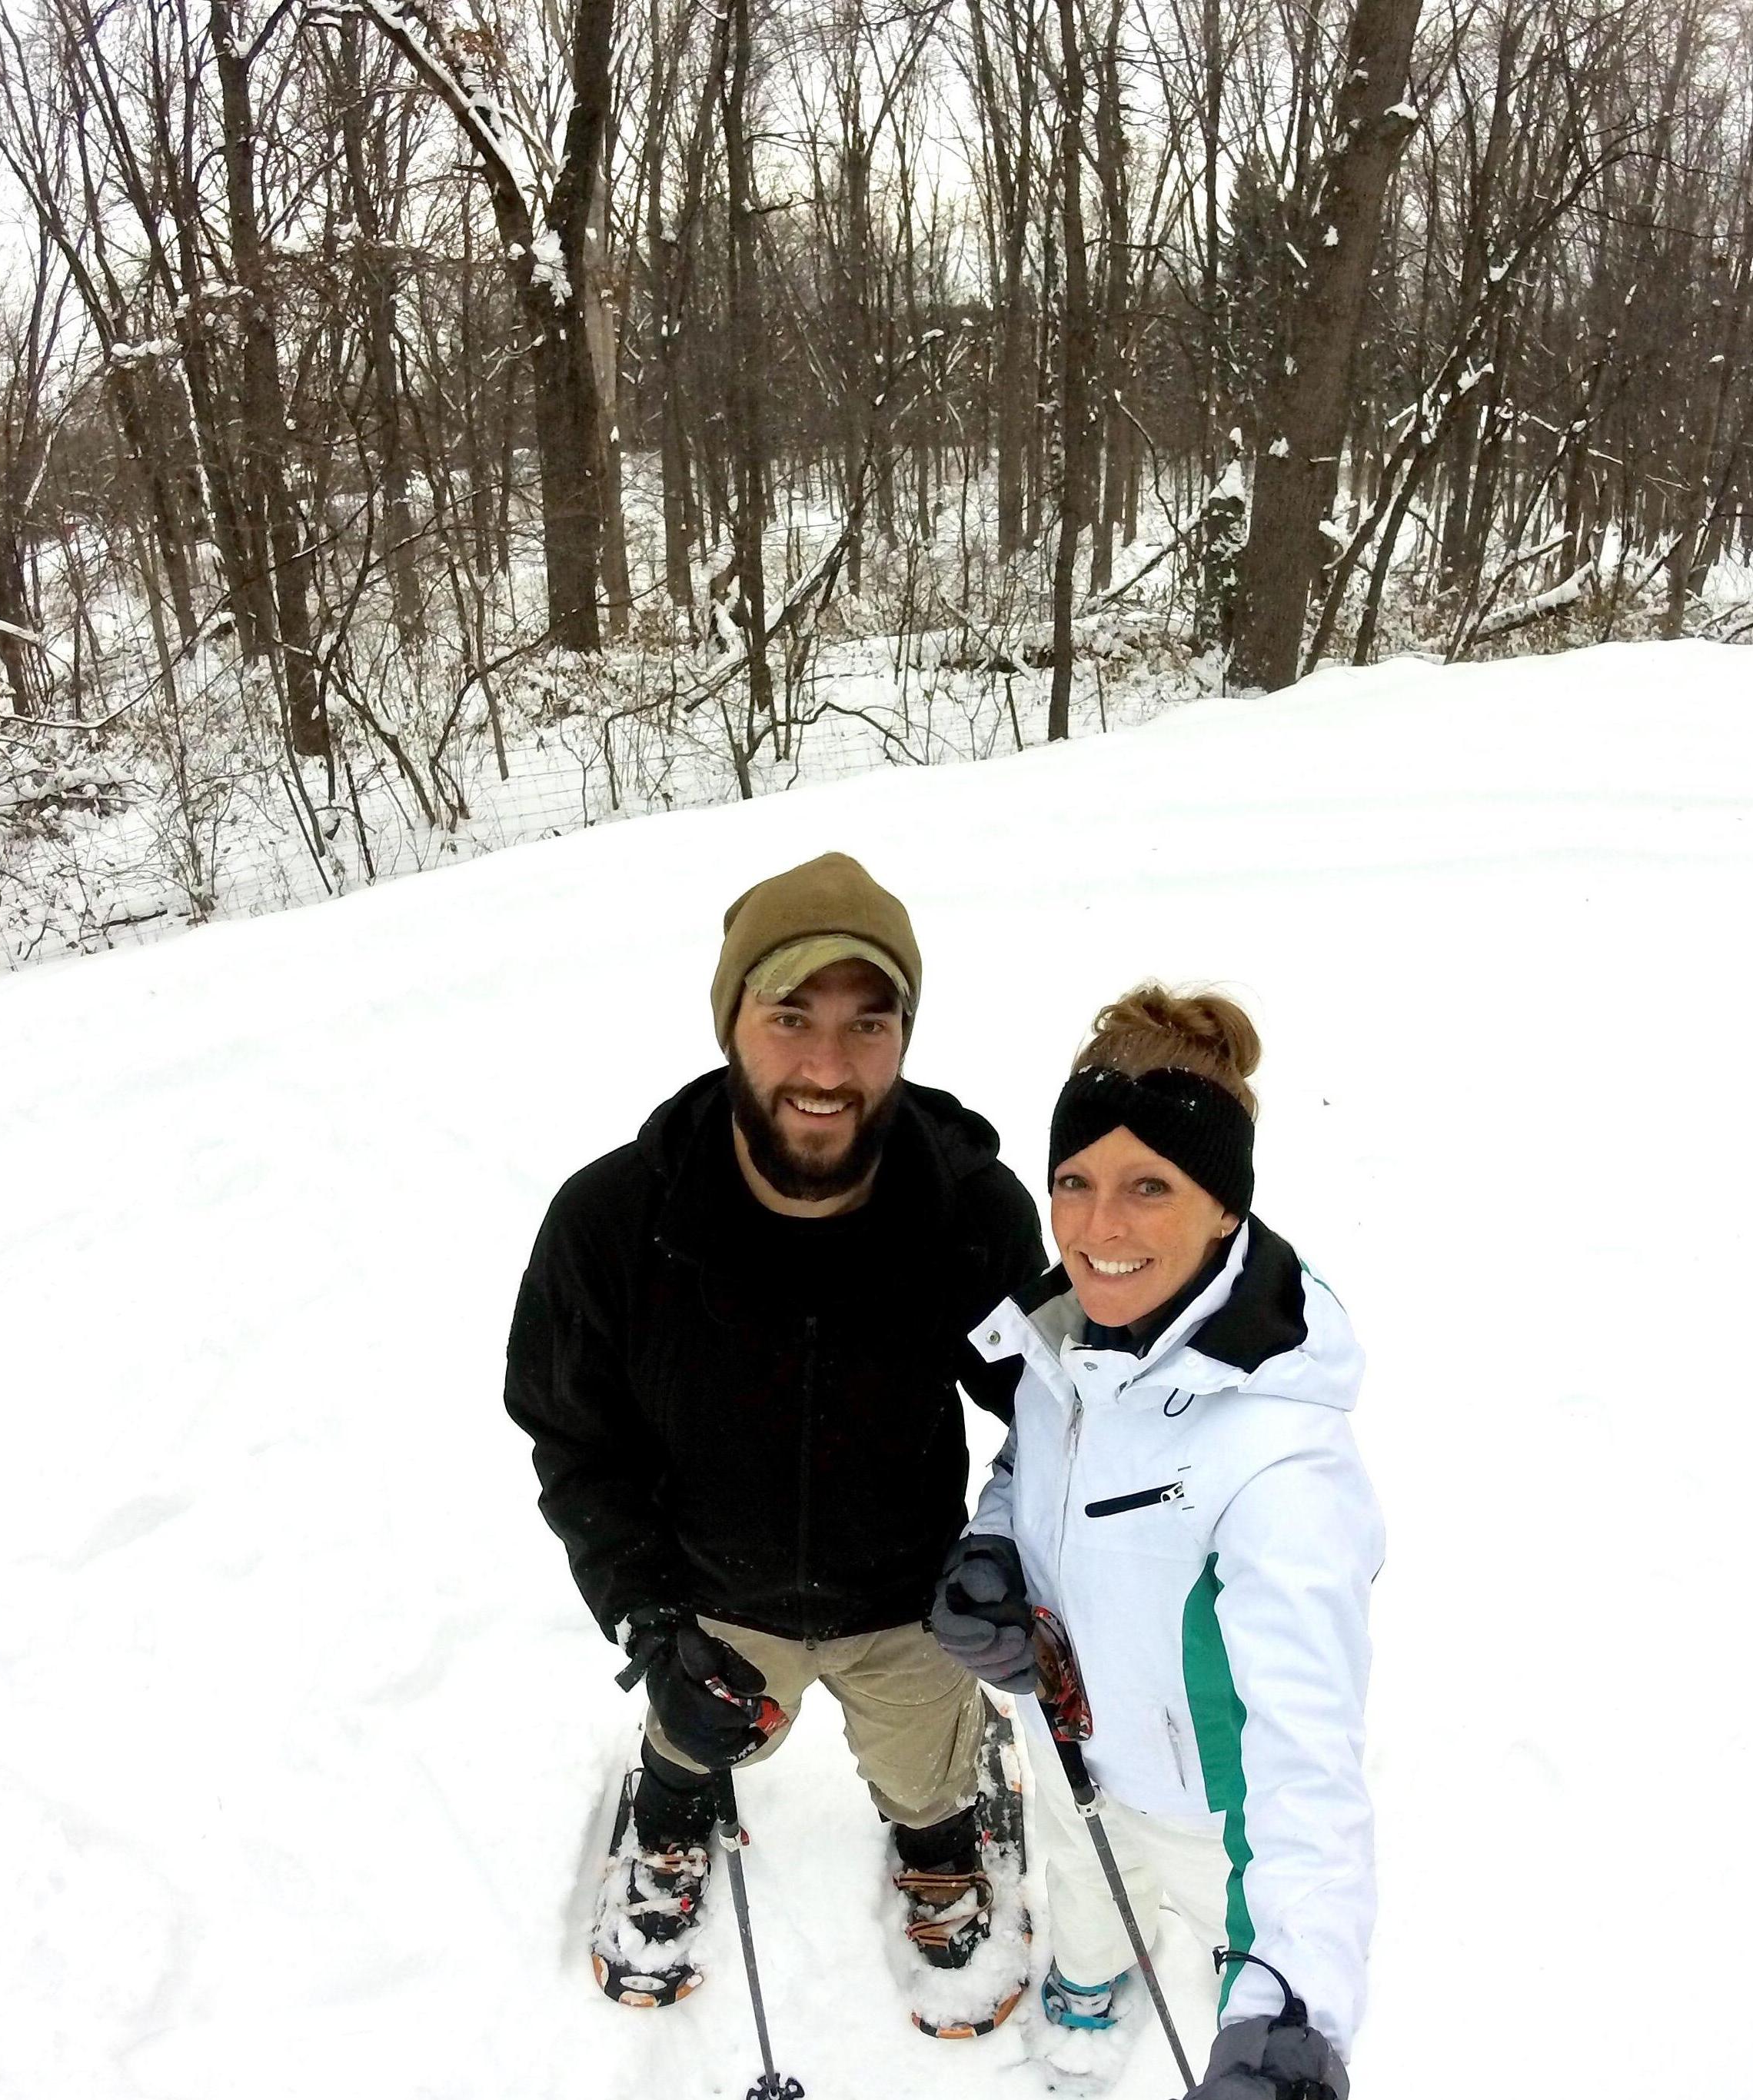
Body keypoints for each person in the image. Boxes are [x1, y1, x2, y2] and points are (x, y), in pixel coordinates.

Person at [503, 851, 1045, 2012]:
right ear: (731, 1021)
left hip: (907, 1600)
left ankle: (946, 1826)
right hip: (707, 1596)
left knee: (920, 1770)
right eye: (789, 1014)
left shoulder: (969, 1215)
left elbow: (1051, 1410)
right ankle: (670, 1803)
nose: (826, 1065)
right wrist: (649, 1618)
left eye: (868, 1022)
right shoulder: (611, 1224)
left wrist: (1009, 1549)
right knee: (697, 1736)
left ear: (906, 1036)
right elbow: (570, 1432)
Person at [931, 985, 1382, 2098]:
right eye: (1074, 1184)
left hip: (1205, 1810)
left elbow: (1308, 1774)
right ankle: (1087, 1982)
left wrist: (1296, 2016)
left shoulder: (1280, 1469)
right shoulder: (1064, 1336)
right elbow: (1036, 1466)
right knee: (1082, 1886)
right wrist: (995, 1552)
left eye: (1149, 1187)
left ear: (1224, 1207)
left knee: (1227, 1944)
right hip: (1069, 1741)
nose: (1098, 1228)